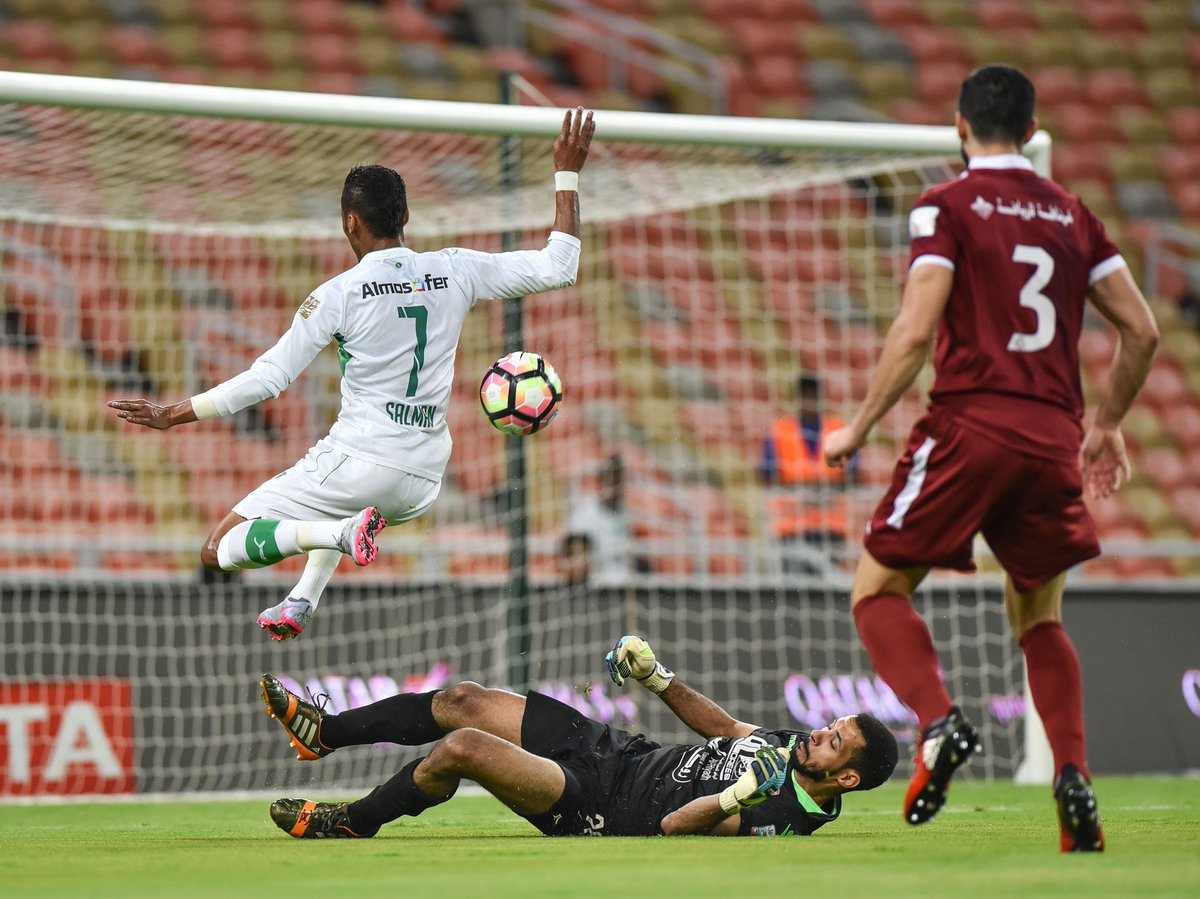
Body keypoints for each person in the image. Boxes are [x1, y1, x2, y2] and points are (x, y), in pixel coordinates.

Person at [823, 65, 1159, 852]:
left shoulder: (947, 205)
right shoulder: (1074, 214)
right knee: (1039, 613)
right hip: (1052, 438)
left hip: (971, 422)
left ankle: (940, 723)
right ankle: (1073, 776)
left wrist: (859, 426)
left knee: (878, 589)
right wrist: (1106, 424)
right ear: (1032, 130)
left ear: (959, 127)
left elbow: (913, 330)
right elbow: (1142, 331)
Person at [107, 108, 596, 641]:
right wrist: (566, 171)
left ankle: (338, 535)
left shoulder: (337, 294)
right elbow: (560, 266)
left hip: (362, 463)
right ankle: (302, 597)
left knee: (218, 549)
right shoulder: (456, 268)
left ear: (350, 222)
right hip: (425, 479)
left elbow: (270, 379)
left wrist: (174, 413)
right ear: (406, 215)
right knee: (336, 490)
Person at [259, 635, 899, 838]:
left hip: (602, 803)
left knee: (461, 752)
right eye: (829, 727)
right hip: (620, 753)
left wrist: (737, 798)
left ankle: (352, 823)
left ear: (845, 778)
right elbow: (728, 728)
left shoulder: (787, 812)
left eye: (834, 742)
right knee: (463, 702)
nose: (819, 734)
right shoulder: (793, 747)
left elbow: (677, 828)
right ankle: (326, 732)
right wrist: (658, 679)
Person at [758, 373, 855, 576]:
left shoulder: (837, 429)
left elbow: (854, 474)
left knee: (826, 590)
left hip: (830, 526)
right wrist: (806, 489)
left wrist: (818, 488)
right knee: (795, 589)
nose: (809, 402)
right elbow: (765, 474)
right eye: (805, 396)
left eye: (813, 396)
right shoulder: (781, 431)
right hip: (791, 526)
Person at [563, 455, 646, 584]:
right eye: (612, 479)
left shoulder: (626, 513)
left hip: (624, 581)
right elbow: (573, 552)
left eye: (619, 480)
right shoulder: (585, 513)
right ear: (603, 481)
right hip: (595, 584)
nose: (615, 486)